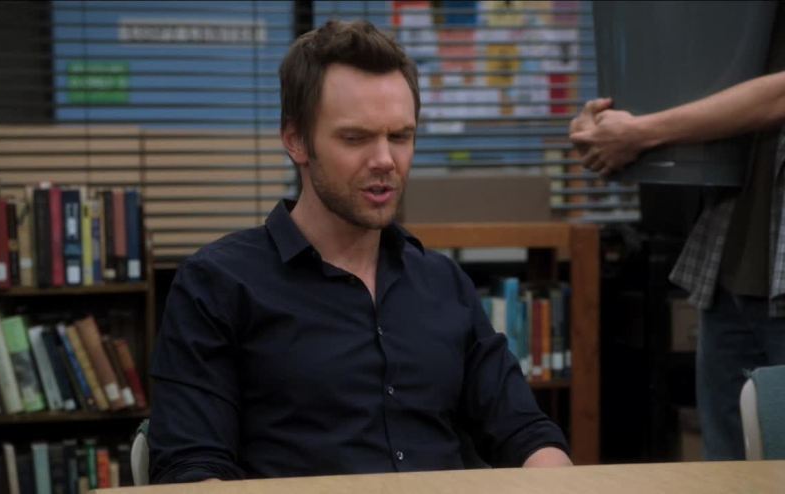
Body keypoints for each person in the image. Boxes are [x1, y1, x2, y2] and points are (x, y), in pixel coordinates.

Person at [149, 19, 571, 483]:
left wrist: (558, 477)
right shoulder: (218, 285)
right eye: (356, 138)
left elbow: (525, 432)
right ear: (295, 140)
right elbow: (193, 469)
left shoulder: (442, 282)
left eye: (400, 136)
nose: (385, 160)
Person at [570, 52, 785, 460]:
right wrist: (605, 125)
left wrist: (640, 131)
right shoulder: (743, 25)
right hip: (727, 266)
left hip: (770, 271)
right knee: (725, 471)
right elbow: (693, 77)